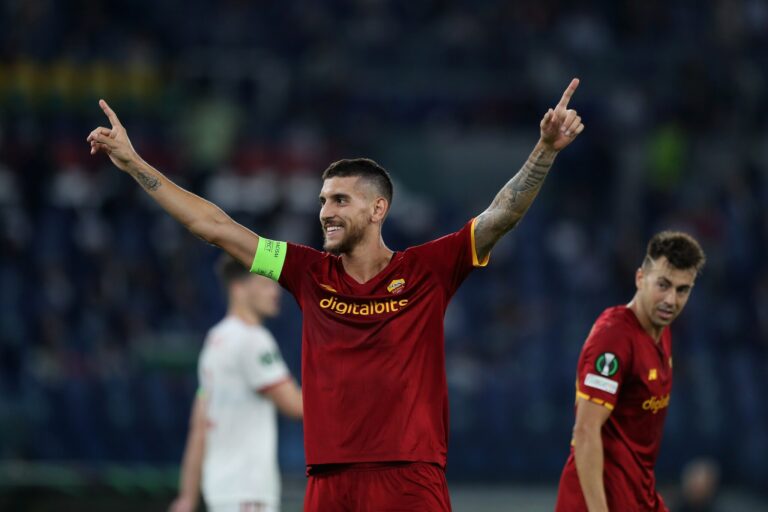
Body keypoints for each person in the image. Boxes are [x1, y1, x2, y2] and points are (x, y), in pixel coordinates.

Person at [88, 78, 584, 511]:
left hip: (410, 478)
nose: (326, 211)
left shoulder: (428, 269)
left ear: (377, 209)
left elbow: (502, 215)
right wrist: (133, 164)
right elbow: (214, 227)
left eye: (341, 200)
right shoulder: (305, 271)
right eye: (324, 200)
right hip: (329, 481)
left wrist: (544, 150)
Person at [555, 231, 706, 512]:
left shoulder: (662, 332)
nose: (671, 300)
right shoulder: (614, 338)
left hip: (638, 496)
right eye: (663, 285)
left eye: (682, 290)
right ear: (640, 278)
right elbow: (586, 431)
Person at [169, 255, 302, 512]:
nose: (275, 292)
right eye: (265, 284)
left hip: (222, 490)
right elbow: (296, 406)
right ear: (238, 289)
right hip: (248, 491)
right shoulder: (254, 340)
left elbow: (199, 425)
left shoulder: (215, 340)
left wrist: (187, 496)